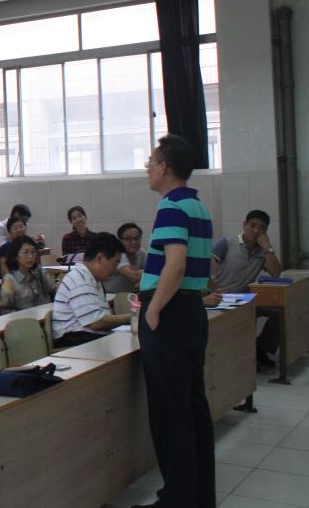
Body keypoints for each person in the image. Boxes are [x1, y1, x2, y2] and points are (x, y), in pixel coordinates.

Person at [136, 134, 215, 508]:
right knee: (192, 406)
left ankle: (176, 499)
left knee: (170, 410)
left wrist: (153, 310)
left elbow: (176, 265)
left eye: (151, 163)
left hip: (169, 313)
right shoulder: (197, 205)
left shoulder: (171, 206)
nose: (148, 169)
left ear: (165, 168)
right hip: (191, 312)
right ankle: (198, 496)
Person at [211, 210, 283, 369]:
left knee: (280, 312)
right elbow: (203, 270)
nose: (256, 231)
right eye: (252, 225)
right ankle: (245, 359)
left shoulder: (263, 251)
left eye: (261, 228)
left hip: (245, 298)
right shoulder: (227, 243)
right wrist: (215, 289)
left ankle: (261, 349)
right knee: (243, 317)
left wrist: (268, 247)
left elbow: (276, 273)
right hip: (221, 298)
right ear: (244, 225)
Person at [51, 232, 129, 347]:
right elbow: (96, 322)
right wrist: (133, 317)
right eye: (115, 263)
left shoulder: (92, 279)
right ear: (100, 258)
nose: (116, 269)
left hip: (88, 338)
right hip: (74, 342)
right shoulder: (79, 278)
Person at [0, 236, 57, 312]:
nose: (30, 256)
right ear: (16, 256)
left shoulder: (40, 272)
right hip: (24, 318)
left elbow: (56, 291)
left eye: (33, 252)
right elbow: (4, 309)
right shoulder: (10, 279)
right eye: (25, 252)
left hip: (48, 316)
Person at [104, 223, 147, 293]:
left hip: (127, 295)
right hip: (110, 295)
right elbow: (134, 277)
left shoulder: (141, 253)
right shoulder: (118, 254)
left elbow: (152, 273)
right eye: (128, 239)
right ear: (120, 240)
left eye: (136, 238)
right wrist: (142, 272)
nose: (133, 242)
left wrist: (142, 272)